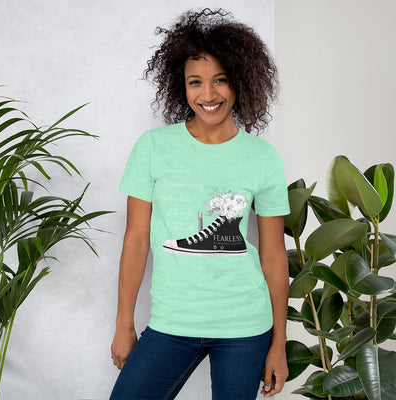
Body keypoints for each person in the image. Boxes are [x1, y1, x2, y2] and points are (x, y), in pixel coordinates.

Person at [110, 8, 290, 400]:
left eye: (220, 80)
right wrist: (124, 322)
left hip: (245, 325)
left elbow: (274, 255)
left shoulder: (262, 158)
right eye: (196, 82)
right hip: (173, 321)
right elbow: (136, 240)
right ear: (182, 86)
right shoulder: (153, 148)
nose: (208, 95)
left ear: (240, 81)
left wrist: (279, 343)